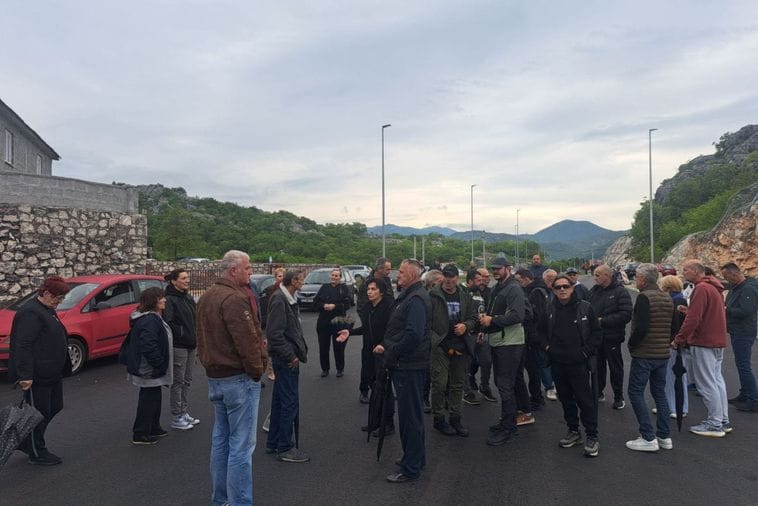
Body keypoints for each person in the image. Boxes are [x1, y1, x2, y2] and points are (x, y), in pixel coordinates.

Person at [196, 250, 268, 504]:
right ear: (233, 270)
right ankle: (239, 502)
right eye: (247, 268)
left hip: (216, 378)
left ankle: (221, 499)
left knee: (221, 441)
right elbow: (248, 342)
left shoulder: (206, 297)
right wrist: (258, 370)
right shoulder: (235, 299)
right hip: (238, 379)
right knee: (241, 446)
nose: (251, 272)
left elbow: (201, 337)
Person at [374, 259, 431, 483]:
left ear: (413, 275)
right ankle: (416, 457)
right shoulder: (409, 295)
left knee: (409, 417)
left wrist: (392, 353)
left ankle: (411, 467)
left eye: (402, 272)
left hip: (409, 366)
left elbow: (413, 335)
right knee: (411, 415)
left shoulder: (416, 299)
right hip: (406, 364)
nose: (397, 275)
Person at [9, 276, 72, 465]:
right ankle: (37, 452)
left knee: (55, 406)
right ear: (46, 293)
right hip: (37, 374)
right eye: (58, 298)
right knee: (37, 414)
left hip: (52, 371)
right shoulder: (30, 313)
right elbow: (23, 345)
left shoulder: (47, 309)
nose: (59, 302)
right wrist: (25, 375)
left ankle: (28, 441)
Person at [539, 275, 602, 458]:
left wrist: (585, 352)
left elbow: (597, 334)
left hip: (579, 363)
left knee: (585, 401)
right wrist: (547, 347)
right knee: (566, 399)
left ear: (573, 288)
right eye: (558, 287)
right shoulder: (549, 309)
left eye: (566, 286)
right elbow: (539, 333)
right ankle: (573, 431)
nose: (562, 290)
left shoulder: (585, 308)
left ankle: (592, 436)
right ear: (553, 290)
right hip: (558, 363)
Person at [673, 259, 730, 437]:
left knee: (705, 383)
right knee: (717, 380)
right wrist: (688, 311)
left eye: (686, 270)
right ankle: (722, 419)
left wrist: (679, 339)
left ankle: (714, 423)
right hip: (717, 340)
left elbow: (694, 319)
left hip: (704, 341)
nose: (683, 272)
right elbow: (706, 313)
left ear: (697, 271)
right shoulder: (714, 288)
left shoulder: (701, 288)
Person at [624, 263, 674, 452]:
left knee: (635, 392)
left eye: (637, 277)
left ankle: (647, 436)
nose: (635, 280)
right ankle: (664, 435)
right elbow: (673, 326)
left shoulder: (644, 297)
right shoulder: (666, 297)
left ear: (643, 280)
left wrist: (631, 344)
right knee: (659, 393)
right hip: (662, 354)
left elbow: (641, 327)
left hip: (645, 354)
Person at [265, 270, 312, 463]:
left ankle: (274, 442)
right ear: (293, 281)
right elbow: (274, 334)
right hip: (285, 360)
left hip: (285, 358)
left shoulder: (287, 298)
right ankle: (285, 447)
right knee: (289, 402)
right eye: (301, 279)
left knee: (279, 401)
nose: (303, 282)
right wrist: (290, 355)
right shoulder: (280, 299)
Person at [479, 256, 526, 446]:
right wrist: (484, 329)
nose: (495, 271)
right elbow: (492, 313)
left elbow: (518, 315)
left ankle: (509, 428)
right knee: (502, 383)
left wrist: (493, 320)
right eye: (494, 268)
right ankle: (507, 422)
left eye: (499, 268)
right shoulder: (498, 288)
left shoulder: (514, 288)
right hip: (498, 341)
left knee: (505, 385)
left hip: (510, 343)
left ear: (508, 268)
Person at [429, 264, 478, 437]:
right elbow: (426, 321)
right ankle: (439, 419)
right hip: (440, 346)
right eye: (446, 276)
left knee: (458, 384)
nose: (448, 280)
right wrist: (434, 339)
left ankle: (455, 418)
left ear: (457, 278)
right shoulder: (433, 295)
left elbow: (473, 317)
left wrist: (466, 326)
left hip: (460, 345)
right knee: (439, 384)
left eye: (452, 277)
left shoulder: (465, 295)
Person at [124, 287, 173, 445]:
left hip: (149, 367)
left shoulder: (151, 317)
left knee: (154, 397)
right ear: (153, 301)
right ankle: (141, 433)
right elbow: (148, 345)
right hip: (148, 368)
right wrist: (159, 364)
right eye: (161, 298)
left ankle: (153, 427)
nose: (164, 300)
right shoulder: (150, 320)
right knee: (148, 399)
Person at [349, 278, 394, 430]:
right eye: (368, 289)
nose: (369, 292)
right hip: (369, 352)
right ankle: (375, 421)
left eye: (373, 289)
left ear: (381, 291)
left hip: (382, 353)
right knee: (374, 386)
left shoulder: (389, 307)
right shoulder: (368, 307)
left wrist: (383, 345)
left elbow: (393, 331)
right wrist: (350, 332)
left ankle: (388, 423)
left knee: (384, 388)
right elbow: (366, 328)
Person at [589, 264, 633, 409]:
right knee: (597, 367)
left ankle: (618, 397)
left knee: (615, 368)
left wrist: (603, 321)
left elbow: (626, 314)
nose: (595, 278)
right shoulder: (594, 291)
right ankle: (597, 393)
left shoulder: (620, 292)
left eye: (597, 275)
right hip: (596, 338)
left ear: (607, 276)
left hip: (612, 337)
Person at [163, 268, 199, 431]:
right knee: (178, 381)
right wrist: (183, 334)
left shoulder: (188, 297)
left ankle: (184, 412)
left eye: (187, 278)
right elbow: (169, 322)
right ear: (174, 281)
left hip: (191, 344)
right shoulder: (170, 299)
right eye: (183, 278)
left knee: (187, 380)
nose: (187, 280)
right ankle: (177, 416)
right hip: (179, 346)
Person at [720, 262, 758, 412]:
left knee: (744, 366)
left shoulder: (748, 288)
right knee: (741, 364)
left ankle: (753, 399)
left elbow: (746, 311)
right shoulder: (738, 287)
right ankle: (745, 393)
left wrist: (726, 309)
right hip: (738, 330)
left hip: (744, 331)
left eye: (726, 276)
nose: (726, 279)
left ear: (733, 273)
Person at [514, 268, 549, 416]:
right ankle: (536, 396)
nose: (517, 283)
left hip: (532, 337)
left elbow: (536, 316)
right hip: (533, 336)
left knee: (533, 369)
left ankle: (536, 398)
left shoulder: (535, 292)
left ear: (526, 279)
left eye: (518, 280)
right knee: (533, 368)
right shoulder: (539, 289)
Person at [357, 258, 394, 398]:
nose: (390, 272)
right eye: (387, 269)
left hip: (384, 326)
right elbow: (361, 305)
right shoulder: (367, 283)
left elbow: (390, 300)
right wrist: (368, 321)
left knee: (384, 361)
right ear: (379, 269)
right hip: (370, 326)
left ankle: (383, 390)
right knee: (367, 360)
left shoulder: (387, 281)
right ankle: (364, 389)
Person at [658, 275, 689, 418]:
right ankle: (676, 406)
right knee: (676, 375)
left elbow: (675, 325)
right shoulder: (680, 299)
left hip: (673, 344)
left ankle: (675, 407)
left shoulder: (675, 301)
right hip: (678, 343)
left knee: (673, 376)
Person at [314, 267, 352, 378]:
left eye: (336, 276)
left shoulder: (343, 288)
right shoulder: (324, 287)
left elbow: (348, 304)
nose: (334, 277)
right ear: (330, 276)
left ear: (340, 277)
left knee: (338, 347)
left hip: (338, 321)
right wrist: (323, 306)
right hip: (323, 322)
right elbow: (315, 303)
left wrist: (335, 306)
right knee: (323, 347)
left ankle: (340, 369)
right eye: (333, 275)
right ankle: (325, 369)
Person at [467, 267, 497, 403]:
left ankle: (484, 387)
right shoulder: (463, 293)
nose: (482, 282)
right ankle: (466, 391)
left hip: (481, 333)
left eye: (482, 279)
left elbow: (485, 312)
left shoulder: (482, 293)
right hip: (468, 334)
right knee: (466, 364)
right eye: (478, 280)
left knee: (487, 361)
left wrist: (483, 331)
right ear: (470, 281)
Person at [540, 269, 559, 401]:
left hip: (559, 333)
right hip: (545, 332)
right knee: (545, 361)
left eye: (554, 278)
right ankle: (549, 387)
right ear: (544, 279)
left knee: (558, 361)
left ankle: (558, 384)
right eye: (549, 278)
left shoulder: (560, 291)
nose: (552, 280)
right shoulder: (539, 292)